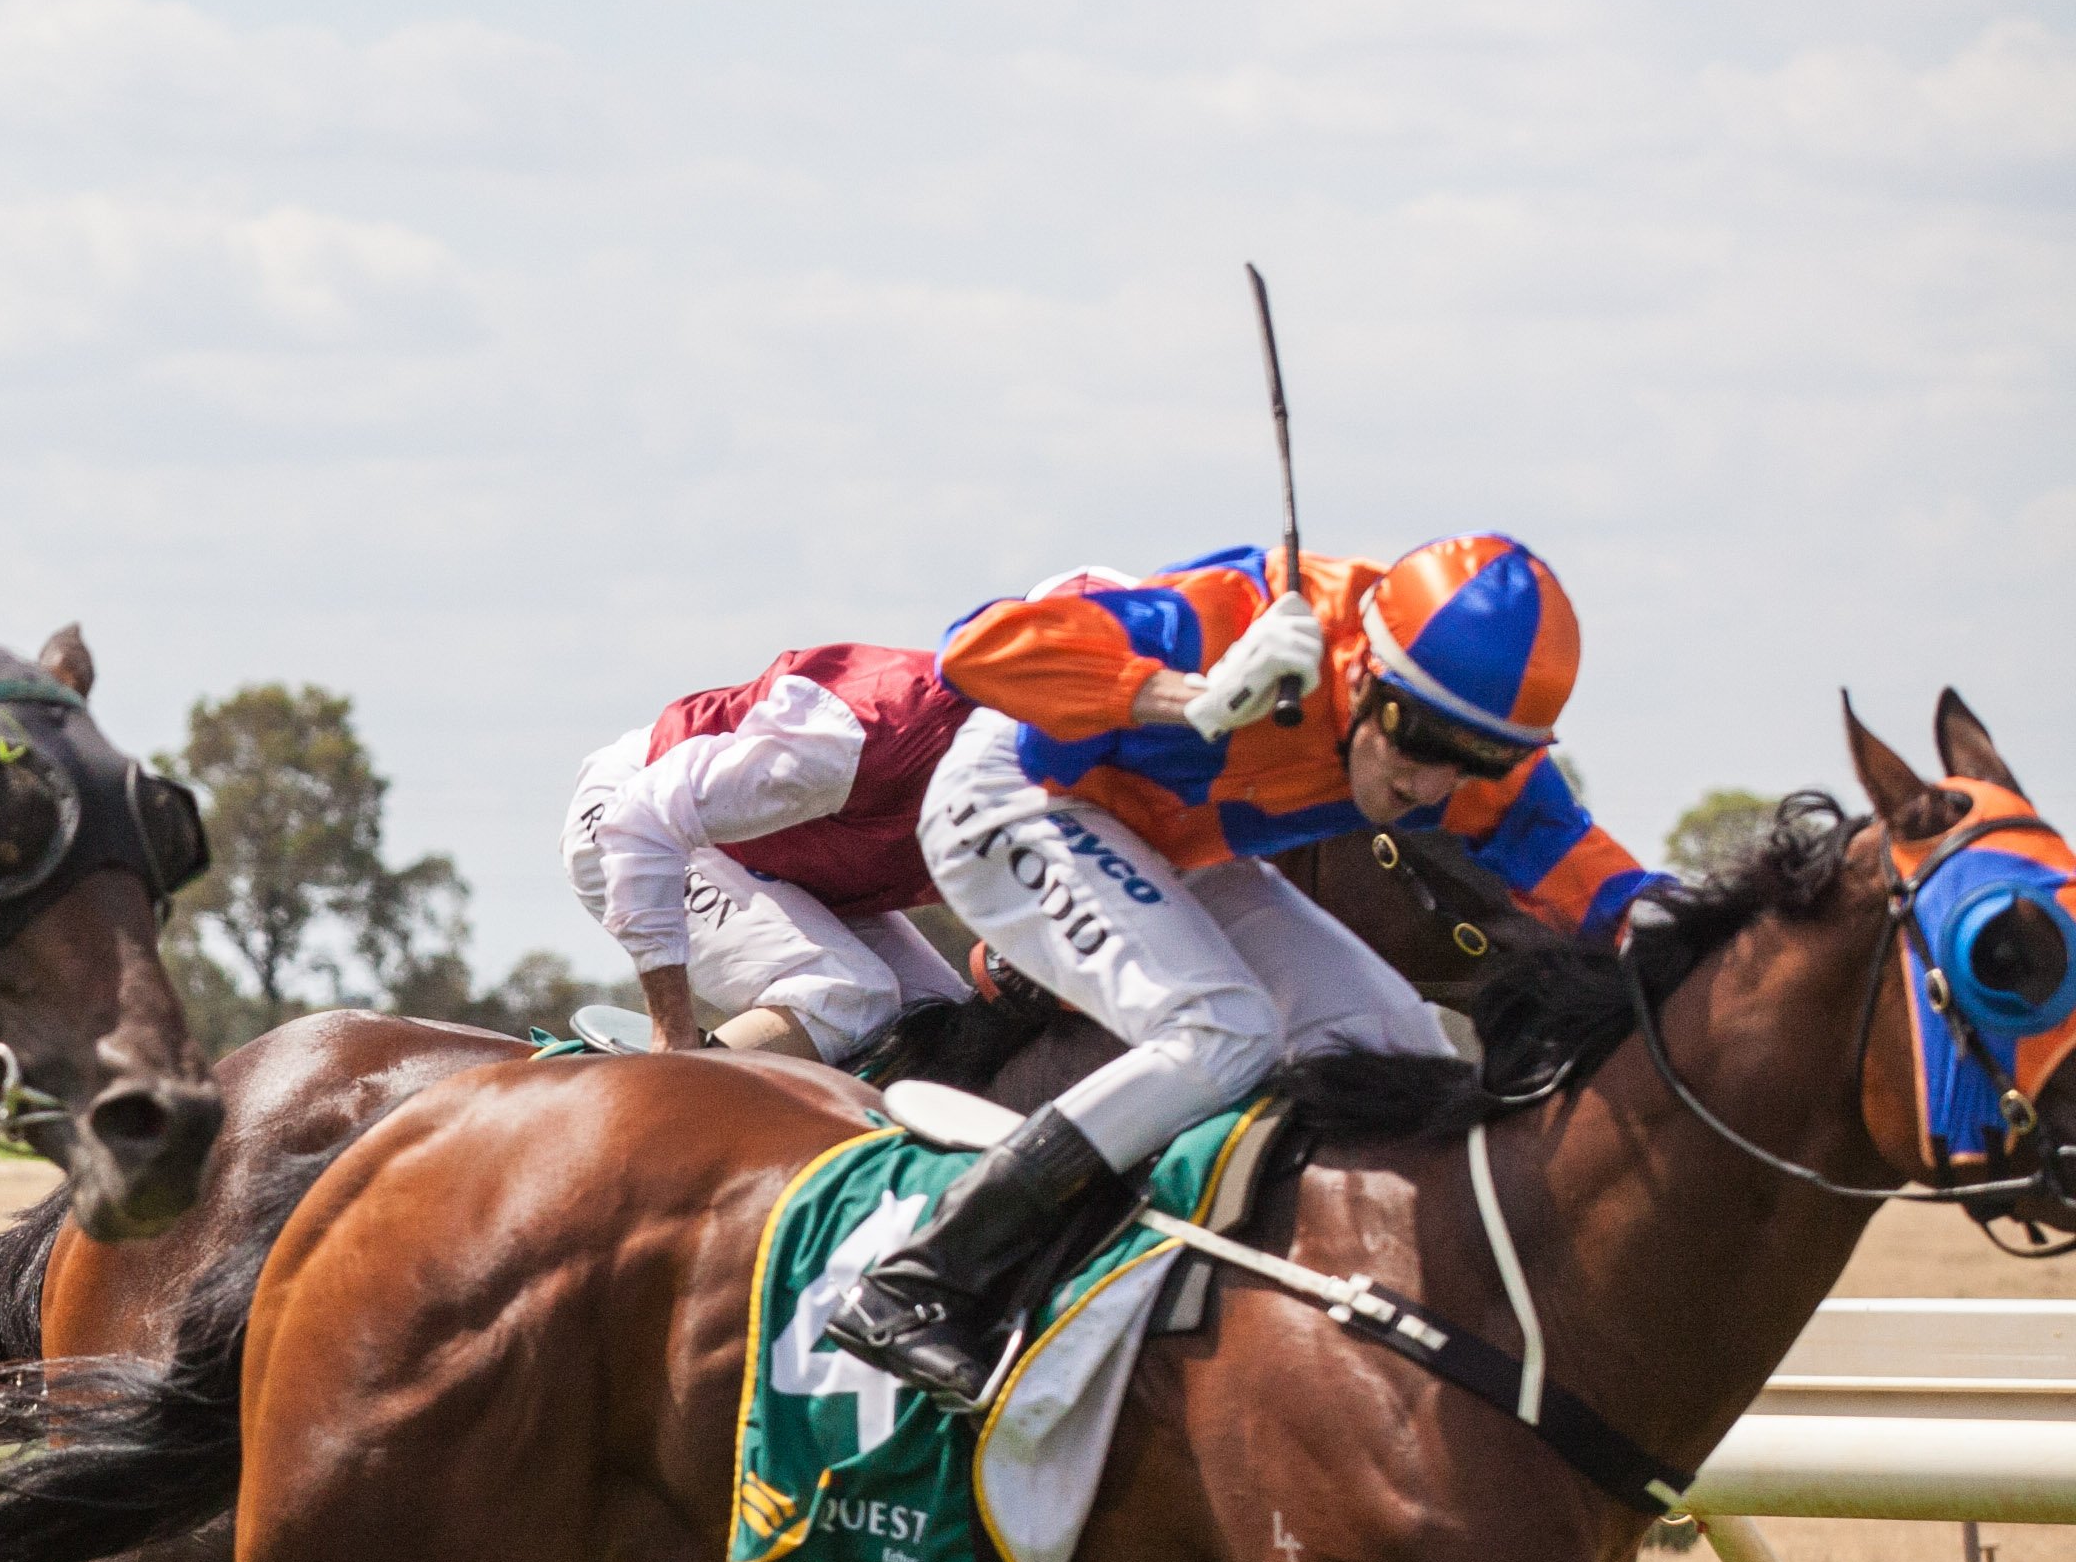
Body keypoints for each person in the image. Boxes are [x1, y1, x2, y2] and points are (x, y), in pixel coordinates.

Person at [816, 533, 1661, 1401]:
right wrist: (1189, 696)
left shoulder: (1453, 737)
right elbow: (977, 650)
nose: (1433, 786)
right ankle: (923, 1279)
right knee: (1224, 1029)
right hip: (1017, 797)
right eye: (1419, 739)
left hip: (1169, 846)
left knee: (1401, 1042)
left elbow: (1585, 868)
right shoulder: (1238, 617)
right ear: (1364, 673)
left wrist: (1671, 918)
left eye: (1480, 760)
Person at [561, 640, 974, 1067]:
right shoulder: (873, 730)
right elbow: (639, 821)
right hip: (635, 819)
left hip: (757, 850)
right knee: (840, 994)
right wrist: (673, 1033)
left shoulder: (1008, 775)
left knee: (942, 1015)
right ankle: (670, 1092)